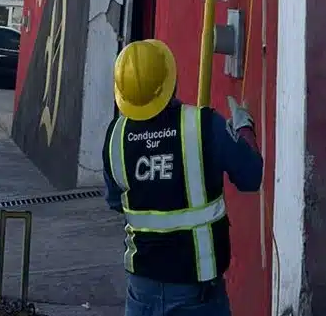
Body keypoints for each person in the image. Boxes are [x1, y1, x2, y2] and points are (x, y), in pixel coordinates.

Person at [102, 39, 263, 315]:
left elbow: (117, 201)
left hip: (142, 291)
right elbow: (251, 176)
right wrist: (244, 128)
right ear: (171, 81)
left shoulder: (115, 136)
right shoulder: (204, 126)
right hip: (196, 292)